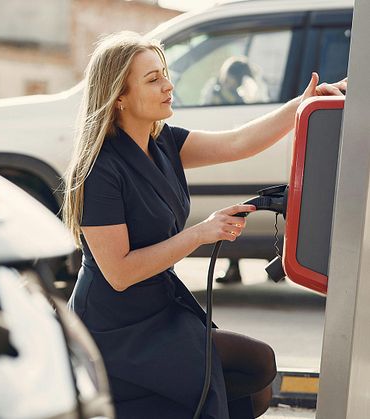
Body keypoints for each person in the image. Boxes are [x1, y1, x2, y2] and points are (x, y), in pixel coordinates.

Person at [62, 31, 346, 419]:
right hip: (115, 329)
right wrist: (201, 232)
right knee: (254, 370)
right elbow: (119, 273)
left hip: (159, 308)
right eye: (153, 79)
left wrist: (304, 104)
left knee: (252, 389)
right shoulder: (99, 170)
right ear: (119, 97)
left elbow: (238, 143)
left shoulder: (163, 143)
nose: (168, 85)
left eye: (164, 73)